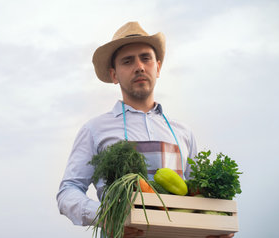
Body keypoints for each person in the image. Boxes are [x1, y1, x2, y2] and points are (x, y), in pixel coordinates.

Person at [56, 22, 234, 238]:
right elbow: (68, 192)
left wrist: (214, 223)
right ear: (114, 75)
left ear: (157, 67)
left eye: (145, 58)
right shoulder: (95, 129)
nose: (139, 66)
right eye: (127, 61)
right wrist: (106, 215)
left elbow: (198, 194)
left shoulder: (183, 133)